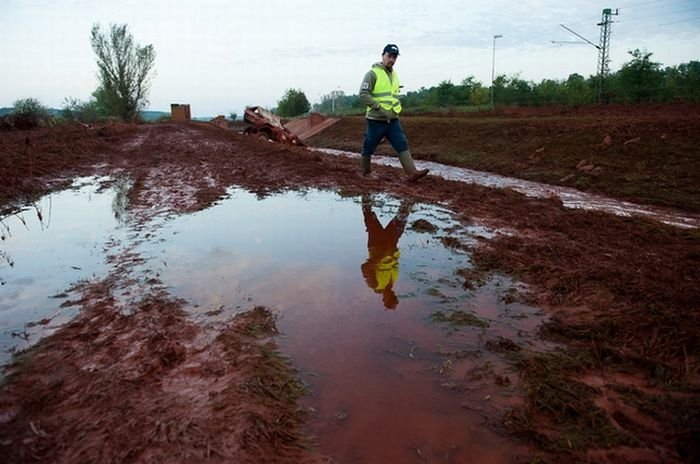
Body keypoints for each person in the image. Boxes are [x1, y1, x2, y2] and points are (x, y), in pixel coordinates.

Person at [359, 44, 429, 182]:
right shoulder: (372, 74)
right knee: (369, 146)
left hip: (392, 119)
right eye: (389, 56)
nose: (392, 59)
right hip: (376, 119)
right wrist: (379, 107)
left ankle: (412, 172)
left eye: (394, 57)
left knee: (401, 143)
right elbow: (363, 94)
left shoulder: (394, 75)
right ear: (382, 55)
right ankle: (365, 172)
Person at [360, 195, 413, 310]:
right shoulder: (392, 281)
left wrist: (383, 254)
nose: (393, 295)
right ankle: (409, 196)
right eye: (395, 297)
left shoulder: (375, 285)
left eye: (391, 298)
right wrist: (392, 251)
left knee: (369, 215)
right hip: (391, 245)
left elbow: (365, 268)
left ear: (384, 299)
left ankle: (366, 191)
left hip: (376, 245)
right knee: (401, 219)